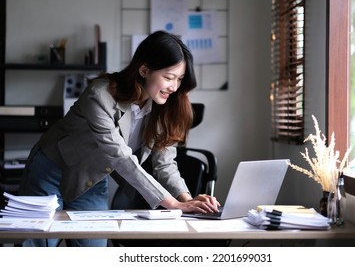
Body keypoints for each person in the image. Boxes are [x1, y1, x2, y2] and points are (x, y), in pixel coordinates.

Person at [19, 30, 220, 247]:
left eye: (179, 79)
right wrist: (171, 203)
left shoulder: (164, 107)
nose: (174, 87)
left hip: (91, 180)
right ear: (144, 70)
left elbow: (165, 165)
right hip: (52, 171)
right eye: (168, 77)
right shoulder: (100, 94)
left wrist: (187, 201)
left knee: (95, 253)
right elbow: (119, 156)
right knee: (37, 248)